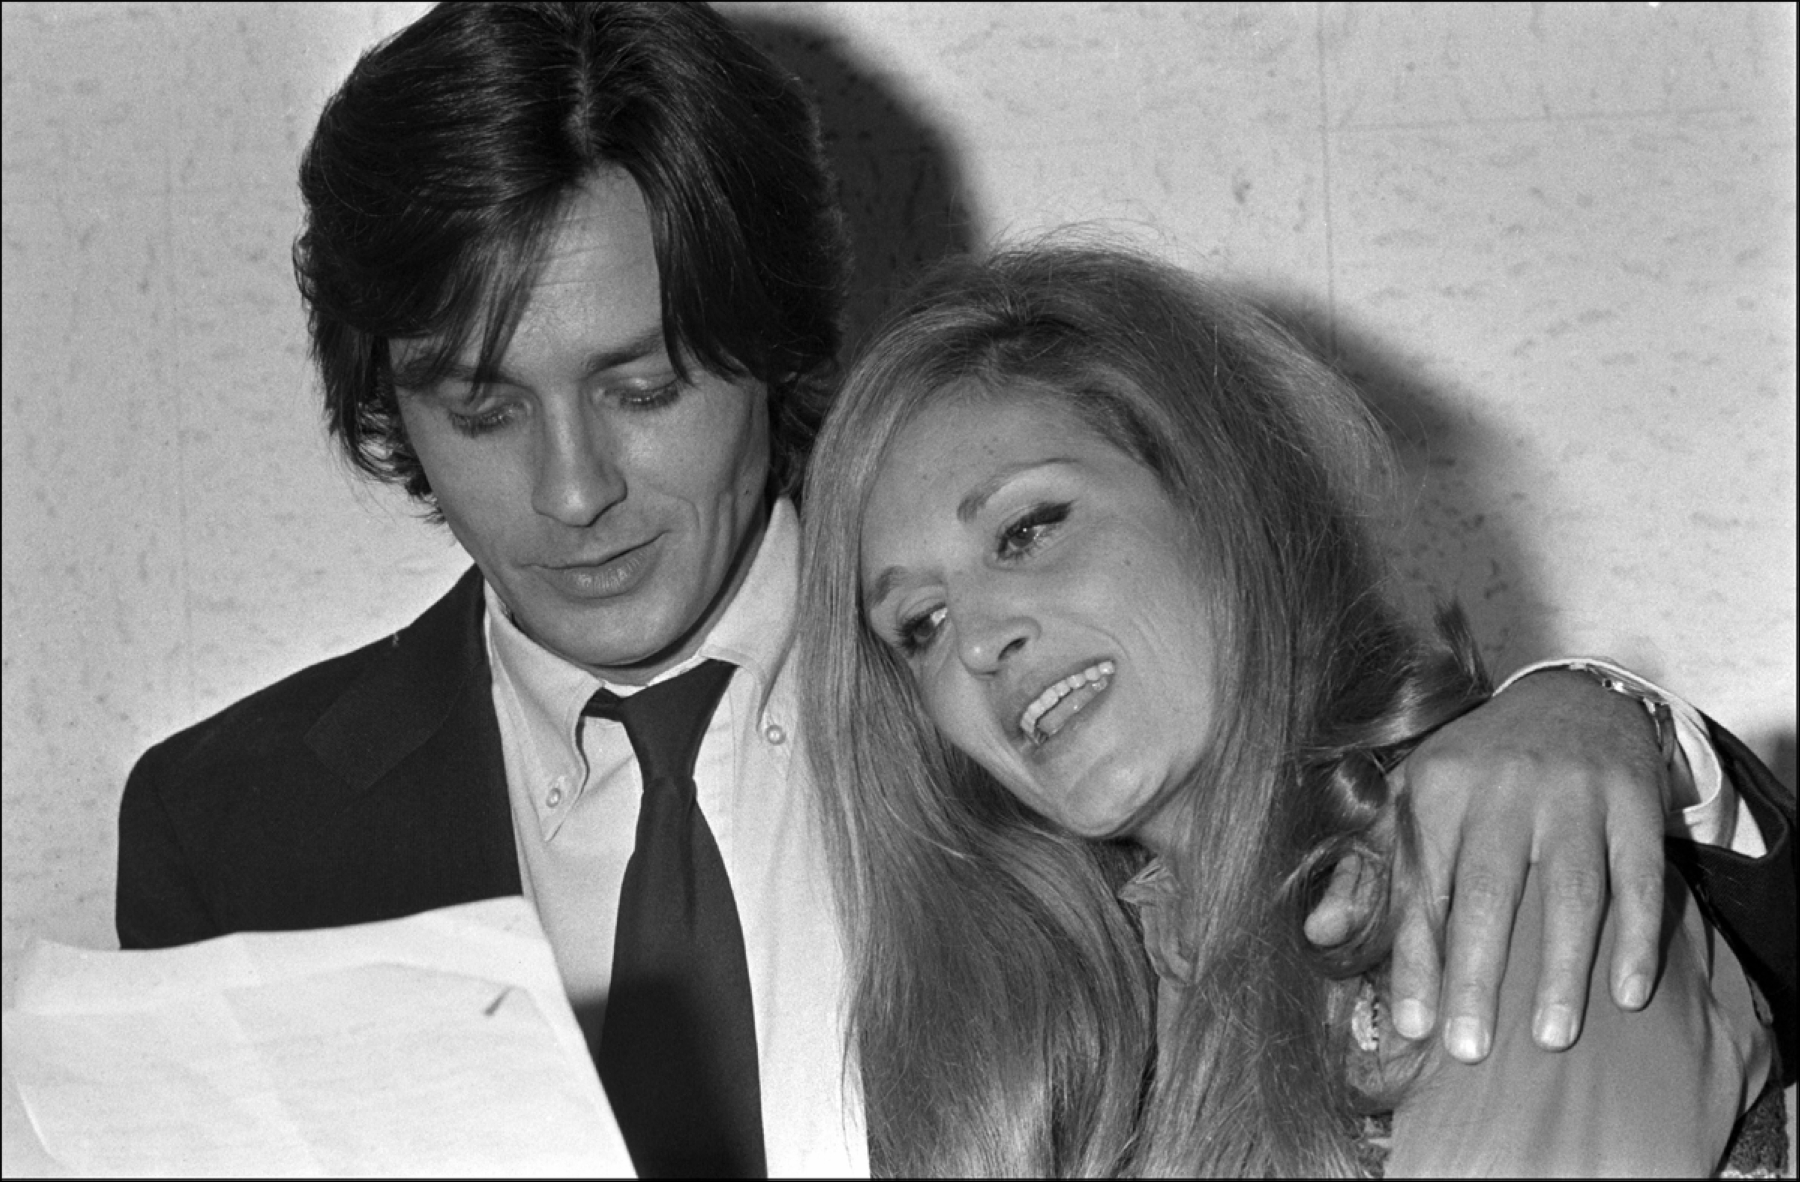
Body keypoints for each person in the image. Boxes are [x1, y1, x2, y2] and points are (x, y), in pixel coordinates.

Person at [113, 2, 1790, 1176]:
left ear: (766, 347)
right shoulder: (235, 835)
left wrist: (1617, 728)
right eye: (482, 407)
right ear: (388, 408)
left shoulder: (1066, 749)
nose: (572, 491)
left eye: (642, 383)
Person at [796, 240, 1792, 1176]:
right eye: (920, 623)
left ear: (1225, 497)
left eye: (1029, 528)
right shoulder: (1086, 1009)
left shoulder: (1500, 872)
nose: (976, 641)